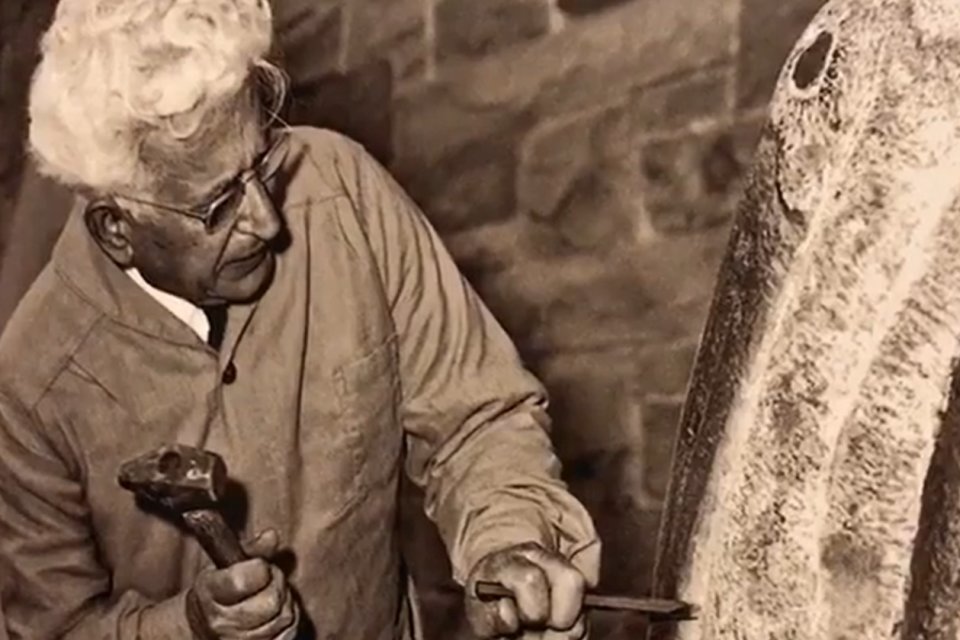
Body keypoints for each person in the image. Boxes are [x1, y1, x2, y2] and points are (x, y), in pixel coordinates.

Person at [0, 1, 601, 639]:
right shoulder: (30, 388)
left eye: (263, 164)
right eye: (220, 206)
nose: (267, 220)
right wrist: (190, 625)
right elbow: (54, 628)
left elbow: (475, 419)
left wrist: (507, 540)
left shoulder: (345, 193)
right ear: (116, 230)